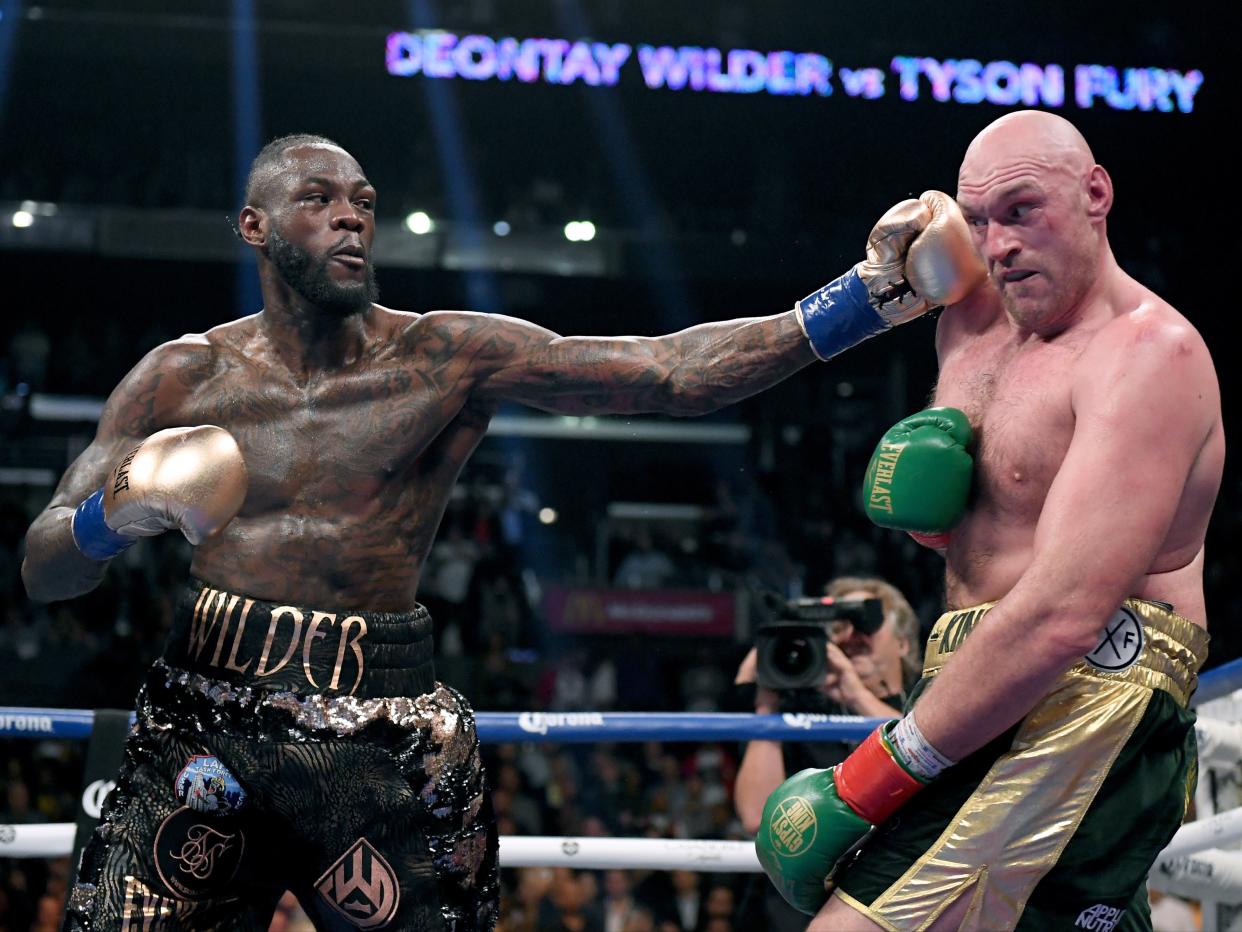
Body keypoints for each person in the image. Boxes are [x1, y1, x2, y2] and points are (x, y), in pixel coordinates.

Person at [20, 133, 982, 931]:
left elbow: (668, 372)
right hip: (203, 712)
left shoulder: (442, 355)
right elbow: (43, 563)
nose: (352, 216)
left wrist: (865, 296)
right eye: (318, 200)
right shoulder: (179, 379)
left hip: (379, 724)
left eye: (363, 199)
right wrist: (117, 513)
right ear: (255, 226)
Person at [756, 110, 1224, 931]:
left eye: (1021, 210)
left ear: (1096, 194)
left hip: (1090, 684)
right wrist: (895, 258)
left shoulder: (1150, 353)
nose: (999, 242)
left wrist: (872, 775)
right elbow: (923, 236)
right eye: (980, 220)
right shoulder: (970, 322)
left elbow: (1061, 615)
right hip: (978, 672)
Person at [733, 577, 921, 931]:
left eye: (866, 623)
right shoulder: (796, 718)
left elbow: (925, 752)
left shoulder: (927, 705)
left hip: (895, 900)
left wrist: (855, 693)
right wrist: (767, 698)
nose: (850, 637)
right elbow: (756, 816)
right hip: (794, 913)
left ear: (904, 645)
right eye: (839, 627)